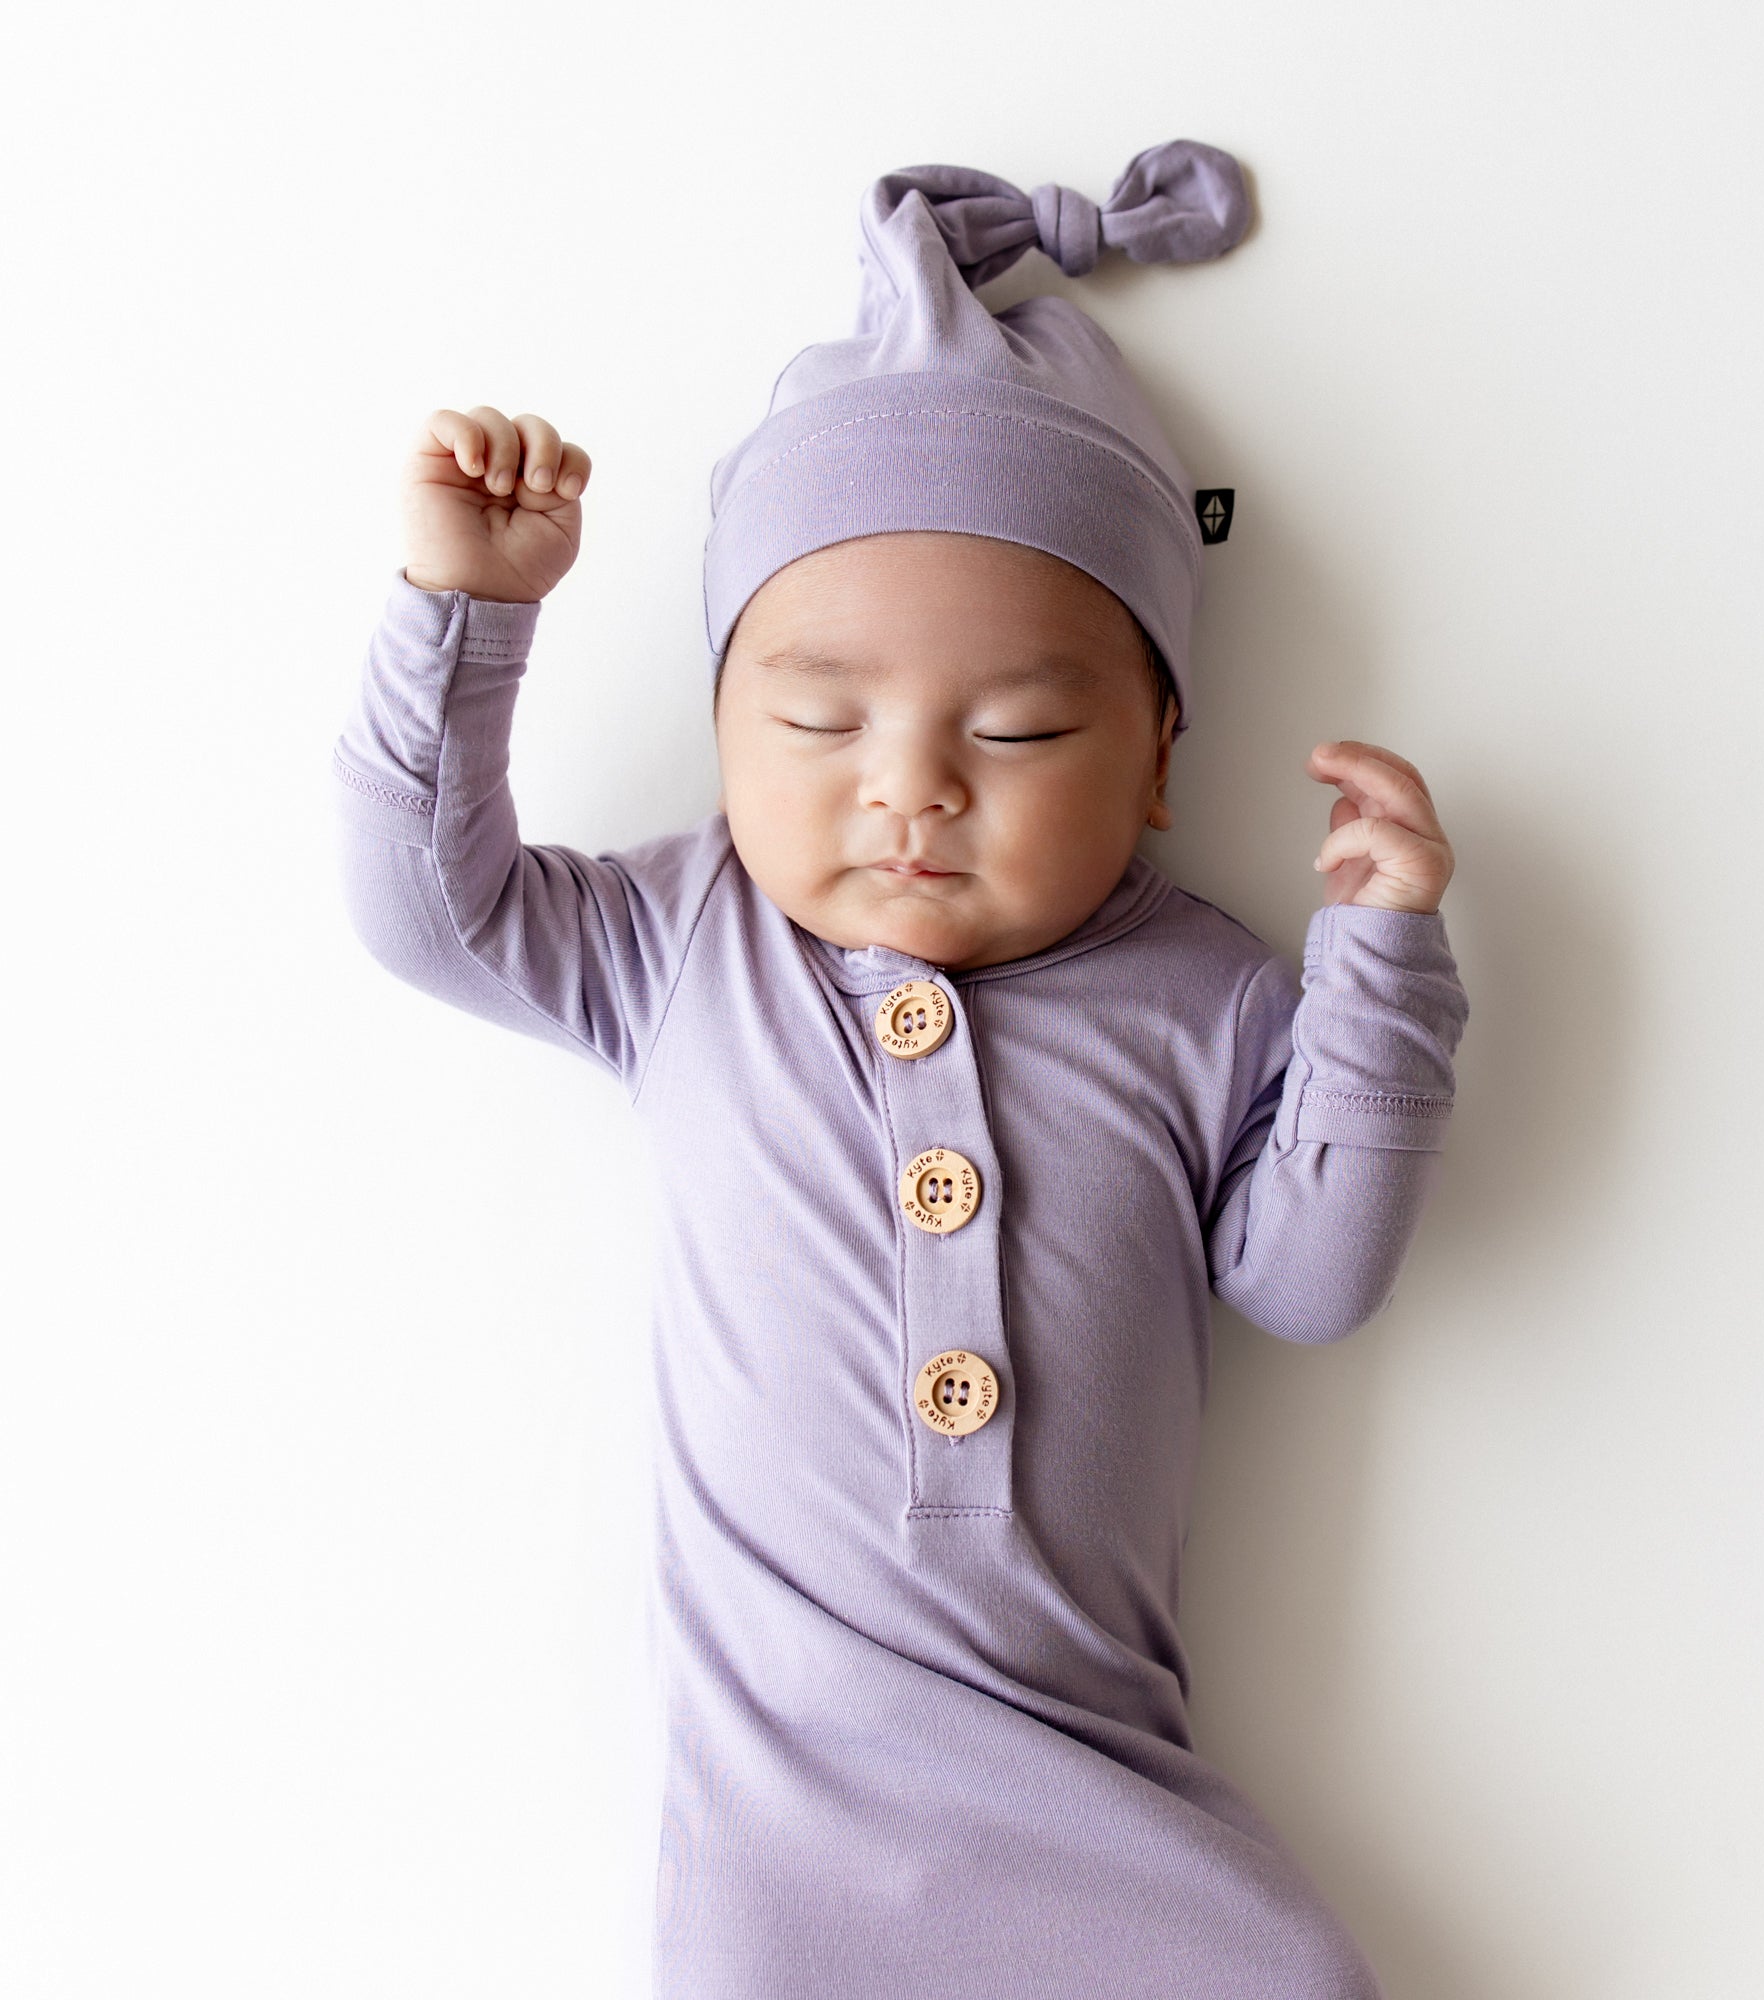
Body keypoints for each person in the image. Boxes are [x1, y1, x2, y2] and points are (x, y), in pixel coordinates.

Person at [331, 139, 1469, 2000]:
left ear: (1160, 765)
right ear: (721, 730)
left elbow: (1309, 1280)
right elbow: (422, 913)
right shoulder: (685, 942)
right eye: (813, 716)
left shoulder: (1209, 993)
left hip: (1104, 1783)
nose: (911, 783)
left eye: (1019, 727)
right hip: (783, 1824)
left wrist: (1384, 968)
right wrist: (466, 615)